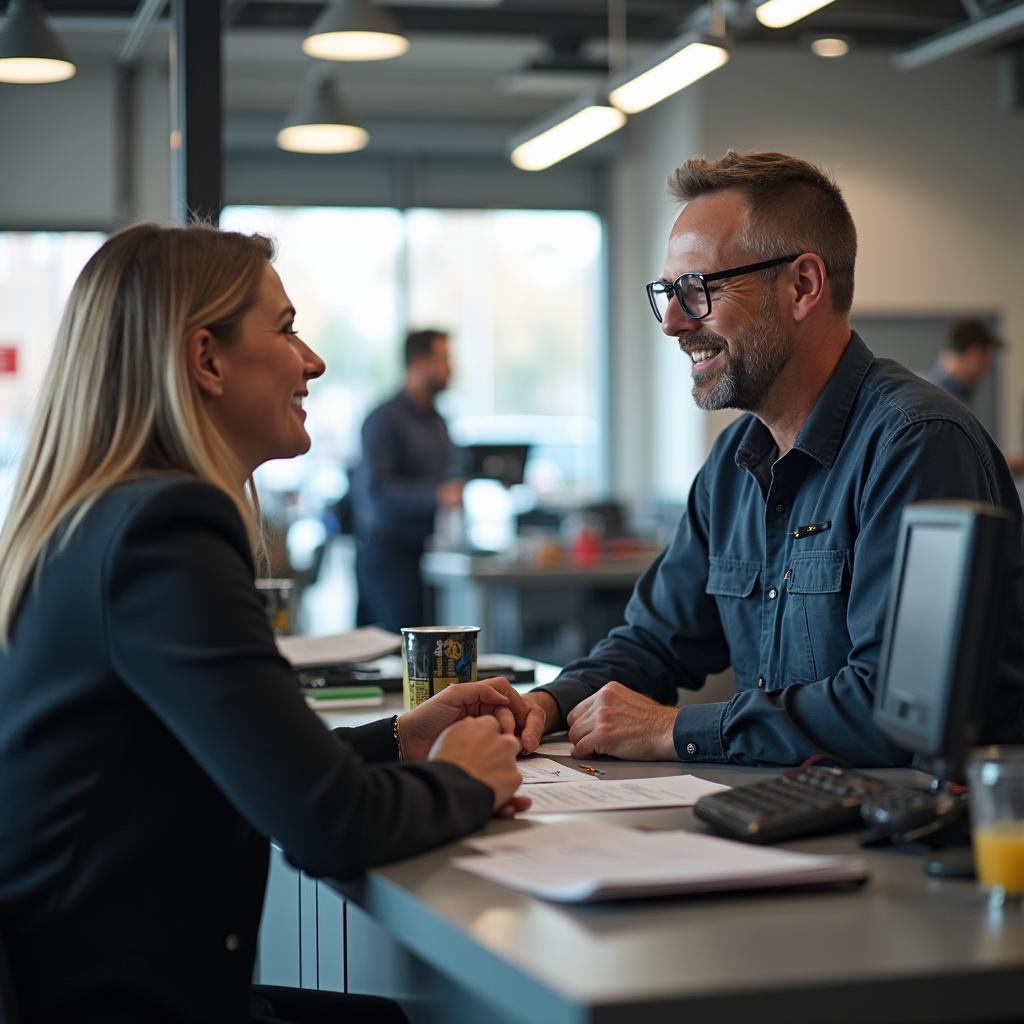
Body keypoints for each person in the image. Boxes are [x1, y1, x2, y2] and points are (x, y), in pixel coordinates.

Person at [0, 223, 534, 1024]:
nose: (312, 361)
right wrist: (461, 777)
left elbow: (233, 757)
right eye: (285, 330)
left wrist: (401, 737)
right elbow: (330, 825)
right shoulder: (163, 534)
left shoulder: (100, 522)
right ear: (206, 359)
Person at [521, 150, 1024, 767]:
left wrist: (676, 728)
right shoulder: (734, 462)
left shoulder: (916, 442)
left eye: (698, 289)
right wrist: (541, 706)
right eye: (668, 294)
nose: (674, 323)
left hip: (912, 839)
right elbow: (656, 642)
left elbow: (895, 713)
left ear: (802, 287)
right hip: (792, 817)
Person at [350, 329, 463, 632]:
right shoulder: (383, 420)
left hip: (425, 554)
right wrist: (437, 495)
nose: (451, 368)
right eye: (445, 359)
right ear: (419, 362)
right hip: (387, 557)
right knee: (399, 657)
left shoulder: (437, 422)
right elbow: (378, 494)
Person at [924, 317, 1002, 407]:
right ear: (974, 353)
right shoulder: (942, 398)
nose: (988, 367)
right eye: (986, 357)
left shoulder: (953, 392)